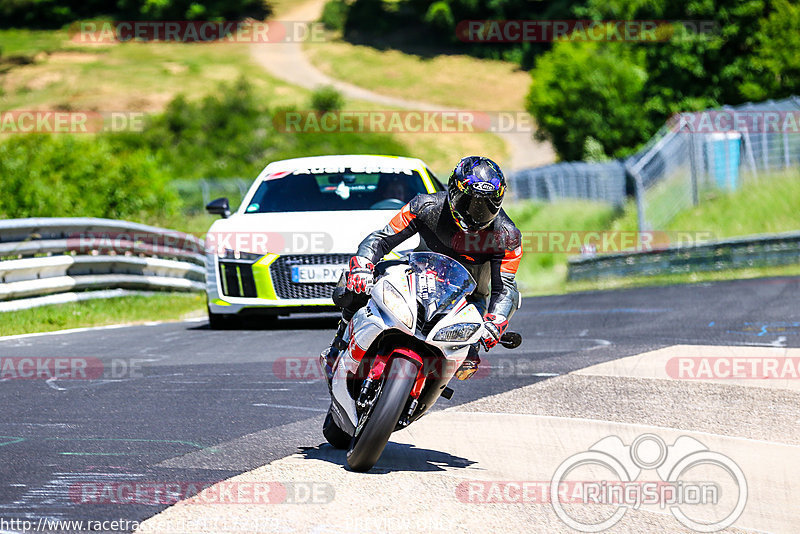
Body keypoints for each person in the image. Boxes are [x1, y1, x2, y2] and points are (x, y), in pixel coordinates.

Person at [322, 156, 523, 382]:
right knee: (354, 286)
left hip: (468, 299)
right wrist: (363, 266)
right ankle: (340, 342)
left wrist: (495, 321)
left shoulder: (507, 236)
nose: (476, 213)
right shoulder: (425, 206)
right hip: (416, 277)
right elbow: (381, 239)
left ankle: (423, 392)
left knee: (468, 363)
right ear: (454, 191)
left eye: (486, 206)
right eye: (469, 202)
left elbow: (505, 287)